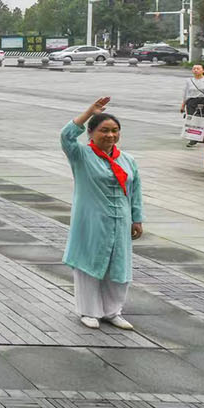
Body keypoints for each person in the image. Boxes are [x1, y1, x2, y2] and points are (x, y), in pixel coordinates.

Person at [61, 97, 144, 331]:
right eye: (104, 130)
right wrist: (89, 112)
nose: (110, 135)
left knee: (119, 265)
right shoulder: (81, 155)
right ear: (91, 133)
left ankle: (112, 311)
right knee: (88, 263)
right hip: (91, 220)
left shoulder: (127, 160)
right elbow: (66, 136)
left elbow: (135, 191)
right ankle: (89, 311)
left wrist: (137, 218)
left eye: (115, 130)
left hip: (121, 220)